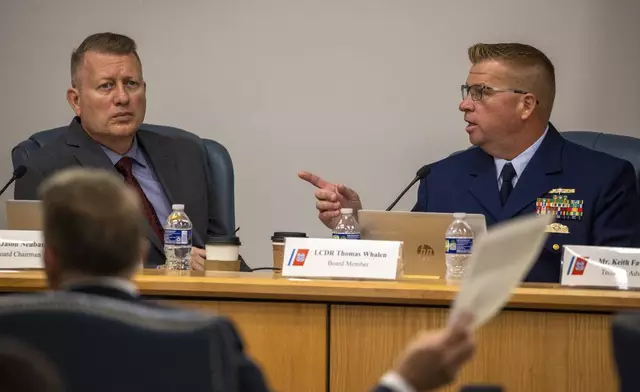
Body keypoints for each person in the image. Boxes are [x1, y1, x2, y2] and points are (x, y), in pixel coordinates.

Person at [39, 167, 474, 391]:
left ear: (49, 259)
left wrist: (355, 225)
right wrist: (403, 382)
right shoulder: (202, 340)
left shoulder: (11, 336)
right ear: (139, 254)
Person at [300, 42, 640, 283]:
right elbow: (413, 262)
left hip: (560, 345)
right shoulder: (442, 176)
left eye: (480, 93)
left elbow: (622, 282)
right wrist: (357, 223)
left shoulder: (603, 177)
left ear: (526, 105)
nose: (465, 105)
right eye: (466, 92)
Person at [14, 32, 233, 271]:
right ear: (75, 100)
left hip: (202, 298)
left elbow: (224, 251)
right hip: (110, 304)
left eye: (131, 84)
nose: (123, 98)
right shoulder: (44, 170)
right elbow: (42, 271)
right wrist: (165, 270)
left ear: (144, 89)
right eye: (106, 86)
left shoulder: (187, 152)